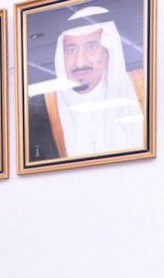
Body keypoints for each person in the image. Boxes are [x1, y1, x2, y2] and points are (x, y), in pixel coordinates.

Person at [28, 5, 145, 161]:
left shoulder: (141, 89)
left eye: (91, 47)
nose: (80, 62)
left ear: (107, 53)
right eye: (71, 50)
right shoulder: (39, 107)